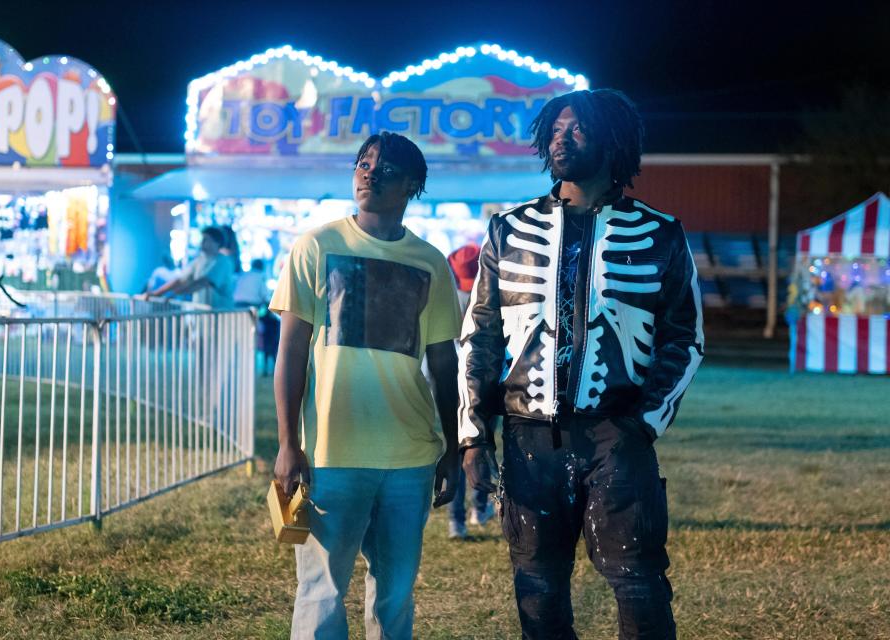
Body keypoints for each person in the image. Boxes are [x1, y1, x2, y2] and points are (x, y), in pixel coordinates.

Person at [459, 89, 705, 639]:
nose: (561, 140)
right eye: (555, 129)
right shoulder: (508, 229)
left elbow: (684, 338)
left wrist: (643, 424)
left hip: (616, 434)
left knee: (638, 581)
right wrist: (474, 435)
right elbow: (480, 336)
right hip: (527, 437)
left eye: (578, 130)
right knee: (538, 587)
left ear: (612, 141)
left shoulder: (661, 233)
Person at [271, 131, 462, 639]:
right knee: (321, 592)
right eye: (363, 162)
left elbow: (445, 362)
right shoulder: (316, 246)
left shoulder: (431, 263)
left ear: (412, 185)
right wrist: (289, 444)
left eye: (385, 168)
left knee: (396, 594)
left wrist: (454, 447)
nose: (369, 173)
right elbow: (290, 351)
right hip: (333, 454)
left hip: (411, 457)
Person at [445, 243, 495, 539]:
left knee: (456, 447)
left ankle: (457, 520)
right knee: (481, 443)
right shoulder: (488, 295)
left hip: (452, 383)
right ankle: (478, 509)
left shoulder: (444, 293)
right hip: (483, 385)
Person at [148, 226, 235, 309]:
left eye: (206, 240)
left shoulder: (223, 262)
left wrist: (177, 293)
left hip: (218, 315)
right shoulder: (200, 260)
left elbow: (205, 281)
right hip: (202, 313)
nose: (202, 243)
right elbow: (181, 279)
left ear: (217, 243)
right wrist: (157, 293)